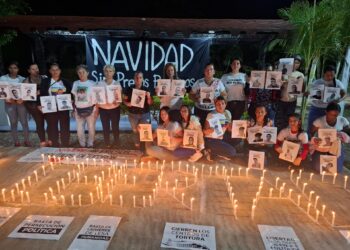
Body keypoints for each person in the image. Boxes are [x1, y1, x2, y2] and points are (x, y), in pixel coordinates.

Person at [310, 102, 350, 173]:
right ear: (326, 112)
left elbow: (347, 134)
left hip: (336, 147)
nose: (334, 117)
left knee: (336, 170)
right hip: (322, 147)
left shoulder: (343, 120)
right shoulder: (319, 121)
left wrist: (342, 136)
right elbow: (312, 133)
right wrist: (315, 139)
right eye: (331, 115)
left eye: (336, 115)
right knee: (318, 168)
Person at [307, 65, 346, 134]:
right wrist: (308, 94)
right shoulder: (317, 82)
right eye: (328, 75)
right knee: (311, 128)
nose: (330, 77)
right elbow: (310, 94)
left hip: (329, 110)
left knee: (326, 130)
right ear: (324, 74)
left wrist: (339, 100)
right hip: (315, 108)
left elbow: (344, 94)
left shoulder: (337, 83)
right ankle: (309, 141)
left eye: (332, 75)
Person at [40, 63, 72, 147]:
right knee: (52, 127)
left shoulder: (66, 82)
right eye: (53, 70)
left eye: (57, 70)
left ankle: (65, 143)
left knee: (64, 127)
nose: (55, 72)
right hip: (50, 108)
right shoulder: (45, 82)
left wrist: (71, 100)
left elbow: (71, 93)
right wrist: (40, 104)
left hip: (63, 108)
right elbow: (42, 94)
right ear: (50, 71)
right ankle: (54, 144)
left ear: (60, 71)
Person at [0, 61, 29, 146]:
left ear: (18, 69)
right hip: (9, 103)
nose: (13, 70)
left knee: (24, 122)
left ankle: (27, 140)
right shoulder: (3, 78)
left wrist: (23, 99)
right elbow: (2, 91)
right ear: (8, 69)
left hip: (21, 104)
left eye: (15, 68)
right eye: (11, 68)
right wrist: (6, 98)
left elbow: (26, 92)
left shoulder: (22, 79)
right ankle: (16, 141)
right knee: (13, 122)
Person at [123, 71, 153, 149]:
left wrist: (149, 97)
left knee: (145, 131)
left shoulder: (146, 89)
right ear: (134, 78)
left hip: (144, 114)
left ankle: (147, 148)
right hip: (133, 114)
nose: (138, 79)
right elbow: (124, 100)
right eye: (136, 77)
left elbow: (150, 103)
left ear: (142, 79)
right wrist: (127, 103)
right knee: (135, 131)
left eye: (140, 77)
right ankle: (137, 148)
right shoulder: (129, 89)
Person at [96, 65, 122, 148]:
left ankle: (117, 142)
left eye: (110, 71)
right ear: (104, 72)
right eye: (106, 71)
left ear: (113, 72)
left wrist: (117, 100)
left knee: (115, 127)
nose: (108, 73)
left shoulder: (117, 83)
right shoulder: (99, 84)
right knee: (105, 127)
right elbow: (96, 95)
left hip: (115, 109)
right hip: (103, 109)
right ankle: (107, 143)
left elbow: (119, 98)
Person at [275, 55, 304, 132]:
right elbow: (275, 85)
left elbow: (301, 89)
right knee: (279, 120)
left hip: (292, 101)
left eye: (298, 63)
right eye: (294, 62)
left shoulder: (300, 74)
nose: (295, 64)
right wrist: (280, 81)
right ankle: (278, 137)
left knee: (289, 120)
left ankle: (286, 136)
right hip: (281, 100)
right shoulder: (281, 72)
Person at [203, 96, 236, 160]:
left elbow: (229, 129)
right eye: (218, 104)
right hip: (211, 139)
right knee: (232, 152)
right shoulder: (211, 115)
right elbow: (204, 131)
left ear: (225, 104)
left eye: (222, 103)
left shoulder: (228, 113)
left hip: (222, 137)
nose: (220, 106)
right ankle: (209, 150)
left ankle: (215, 152)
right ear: (215, 105)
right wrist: (209, 130)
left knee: (239, 138)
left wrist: (236, 127)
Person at [72, 64, 97, 148]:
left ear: (87, 73)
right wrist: (73, 109)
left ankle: (90, 144)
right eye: (79, 72)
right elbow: (74, 97)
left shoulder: (93, 84)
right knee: (79, 129)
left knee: (91, 128)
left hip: (90, 109)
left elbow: (96, 98)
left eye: (83, 72)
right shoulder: (75, 83)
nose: (81, 74)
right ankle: (82, 144)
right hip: (78, 110)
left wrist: (96, 110)